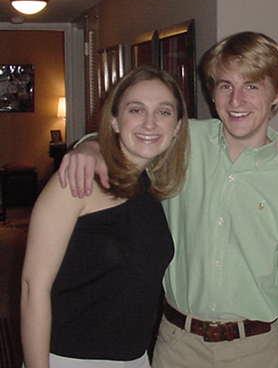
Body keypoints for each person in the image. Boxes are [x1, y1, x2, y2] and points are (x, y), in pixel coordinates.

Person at [58, 32, 278, 368]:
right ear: (212, 92)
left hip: (256, 351)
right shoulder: (182, 142)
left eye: (252, 86)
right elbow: (128, 136)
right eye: (225, 85)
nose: (236, 100)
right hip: (177, 346)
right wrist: (90, 146)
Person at [21, 66, 189, 368]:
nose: (150, 122)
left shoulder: (149, 187)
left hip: (135, 358)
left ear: (177, 127)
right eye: (136, 109)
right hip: (70, 359)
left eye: (164, 112)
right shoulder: (77, 183)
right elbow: (33, 289)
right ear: (114, 120)